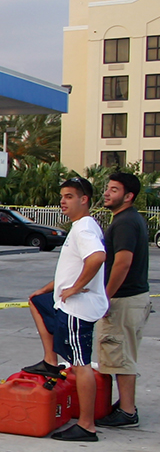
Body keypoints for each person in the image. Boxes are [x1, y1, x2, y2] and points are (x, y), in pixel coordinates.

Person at [22, 176, 107, 441]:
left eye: (69, 196)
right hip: (67, 303)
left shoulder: (83, 229)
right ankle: (50, 361)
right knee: (37, 302)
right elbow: (73, 267)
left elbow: (97, 258)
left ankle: (86, 426)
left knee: (80, 365)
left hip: (77, 309)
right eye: (62, 196)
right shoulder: (80, 226)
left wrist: (76, 287)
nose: (63, 201)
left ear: (85, 200)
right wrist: (52, 288)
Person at [93, 172, 150, 428]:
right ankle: (126, 405)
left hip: (124, 300)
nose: (107, 192)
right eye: (108, 188)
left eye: (114, 190)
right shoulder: (128, 219)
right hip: (133, 299)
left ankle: (127, 411)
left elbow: (123, 262)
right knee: (121, 353)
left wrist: (106, 297)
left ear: (128, 196)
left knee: (121, 354)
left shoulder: (125, 222)